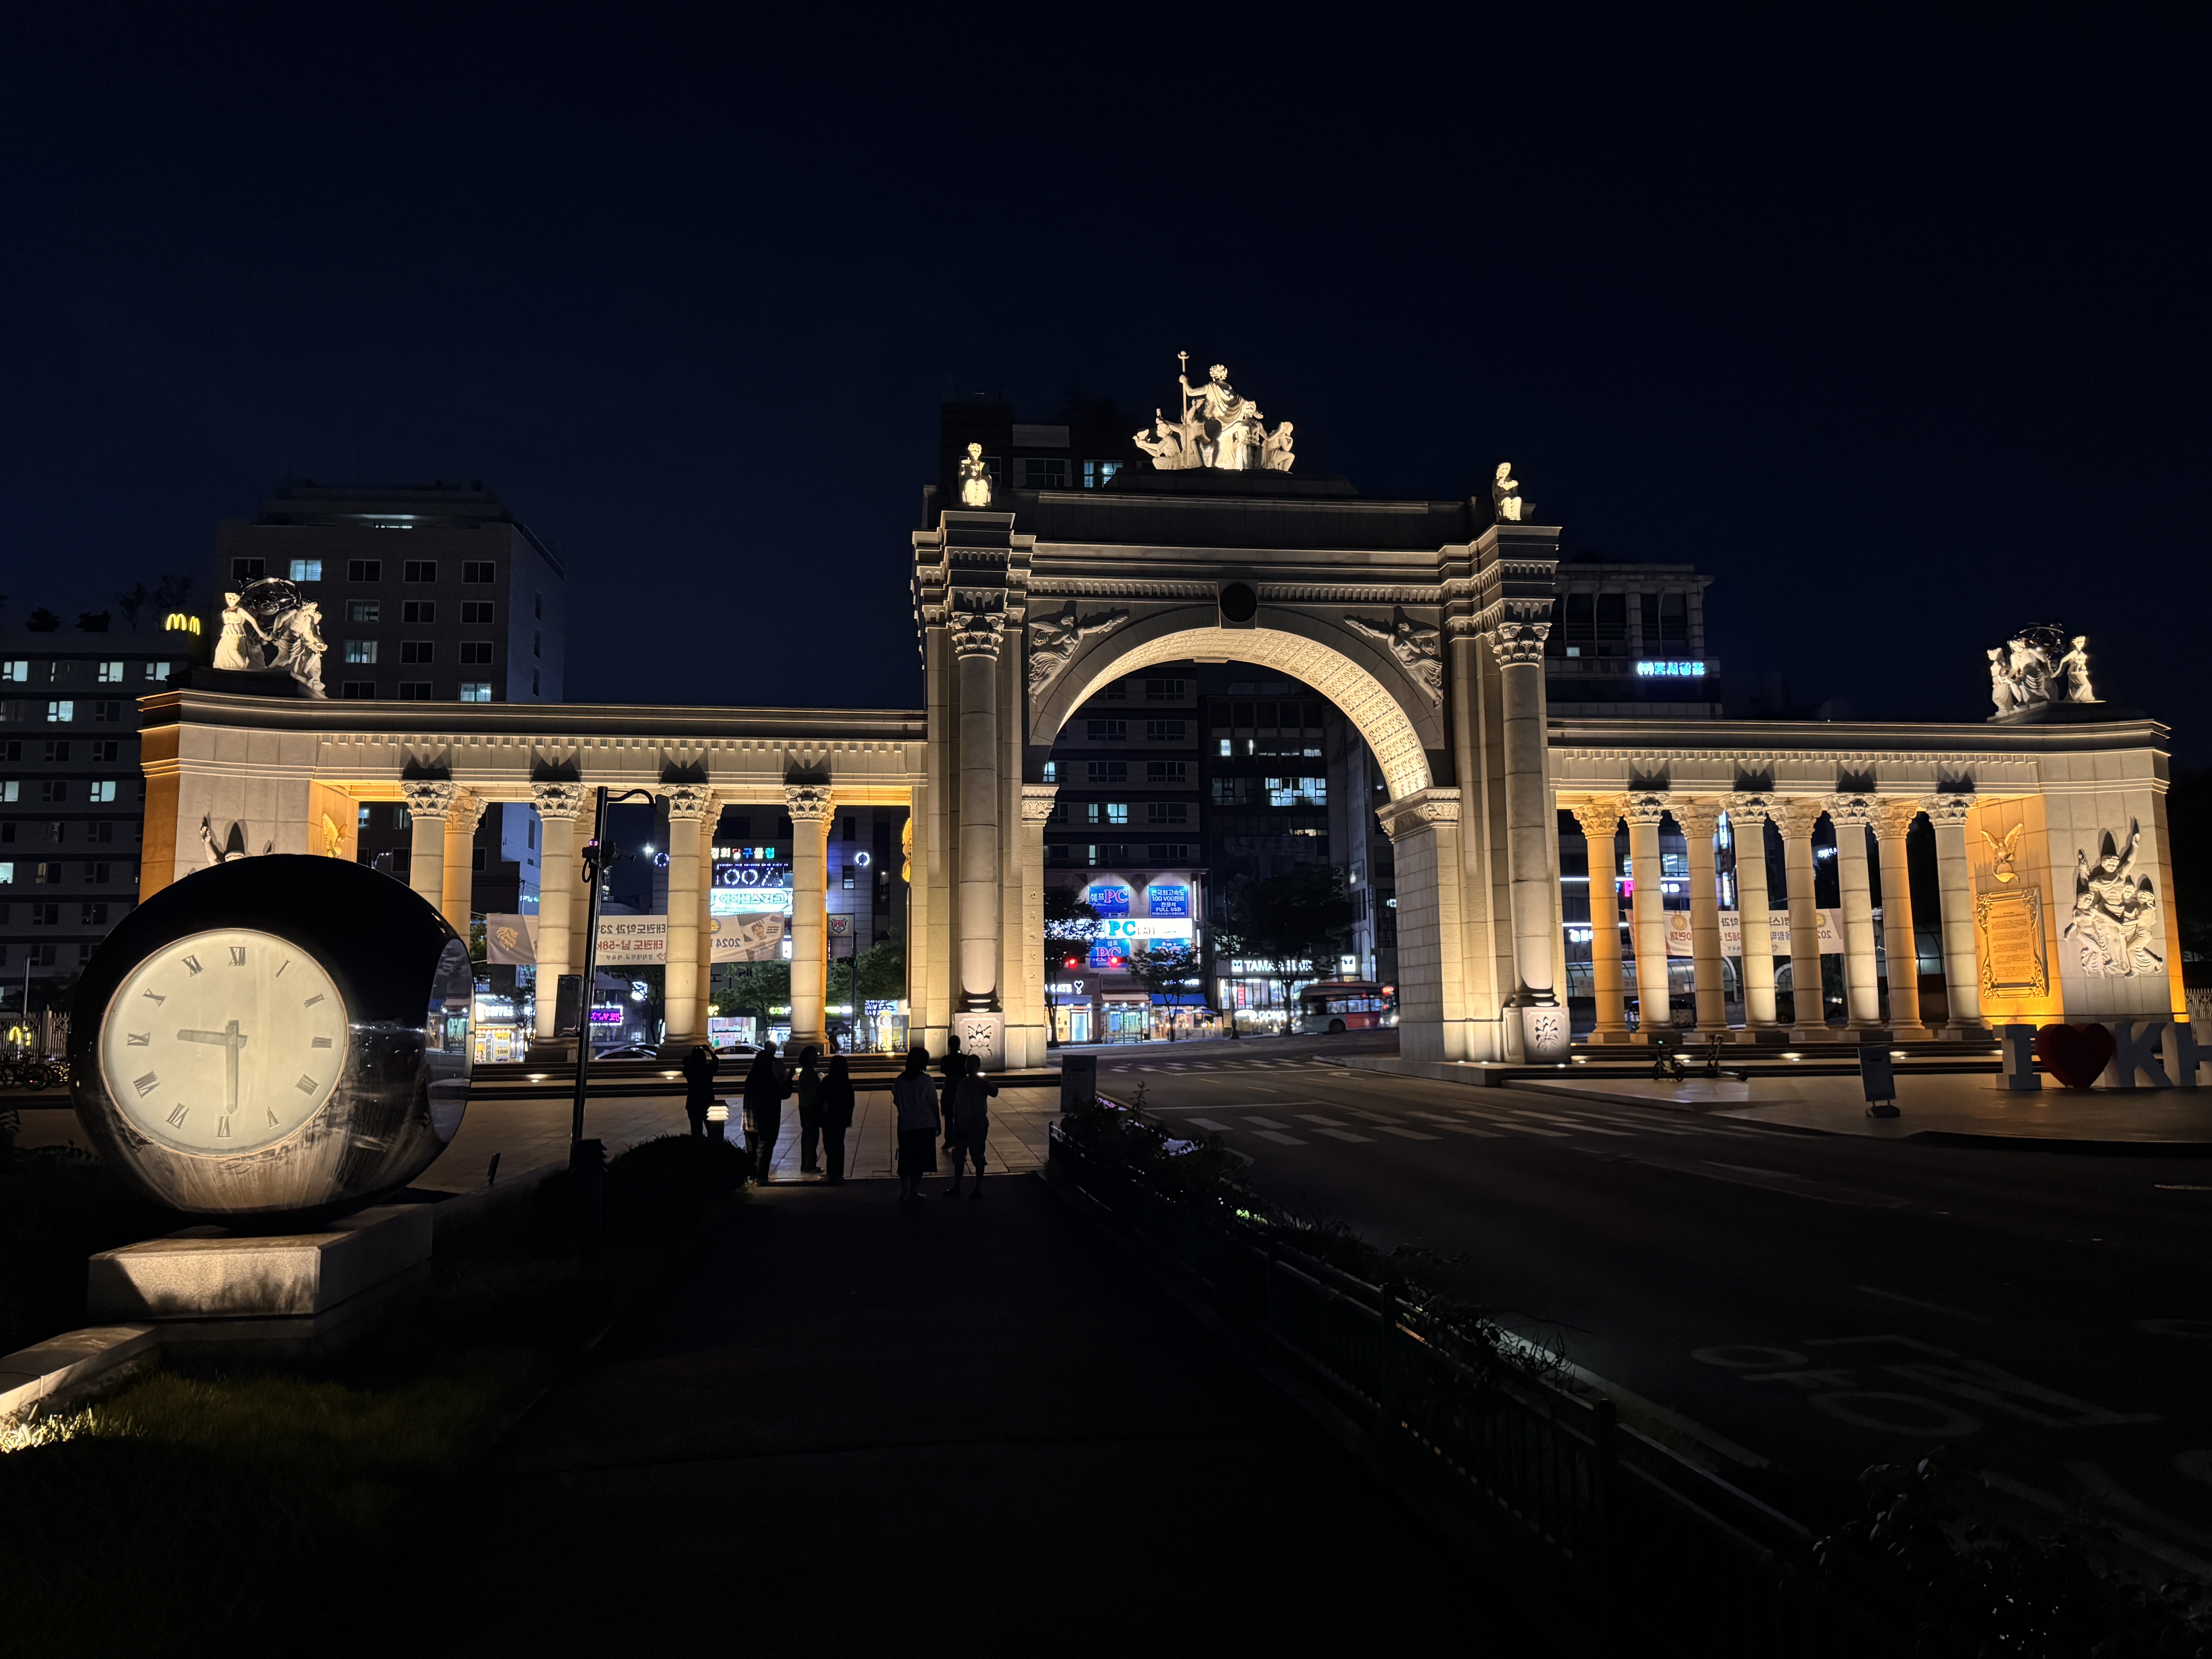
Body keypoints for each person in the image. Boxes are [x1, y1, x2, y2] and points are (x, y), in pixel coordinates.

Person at [944, 1054, 997, 1200]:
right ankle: (957, 1186)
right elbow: (957, 1104)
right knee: (960, 1156)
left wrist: (986, 1081)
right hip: (963, 1125)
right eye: (968, 1064)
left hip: (977, 1124)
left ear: (978, 1066)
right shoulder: (963, 1083)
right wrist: (956, 1124)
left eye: (972, 1064)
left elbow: (994, 1092)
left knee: (978, 1156)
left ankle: (977, 1187)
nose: (970, 1067)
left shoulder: (981, 1082)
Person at [891, 1046, 940, 1202]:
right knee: (920, 1160)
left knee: (906, 1159)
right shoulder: (926, 1081)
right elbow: (933, 1103)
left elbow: (897, 1102)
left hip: (906, 1125)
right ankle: (914, 1190)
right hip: (925, 1124)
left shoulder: (900, 1081)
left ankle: (904, 1191)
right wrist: (938, 1122)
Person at [741, 1042, 791, 1183]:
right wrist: (789, 1079)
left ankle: (752, 1174)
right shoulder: (770, 1079)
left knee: (752, 1150)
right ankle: (761, 1176)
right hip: (768, 1119)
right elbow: (783, 1094)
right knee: (765, 1148)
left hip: (750, 1120)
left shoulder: (751, 1079)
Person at [819, 1055, 855, 1184]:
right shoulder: (846, 1083)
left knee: (830, 1145)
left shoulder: (828, 1081)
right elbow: (851, 1102)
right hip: (841, 1119)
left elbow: (823, 1098)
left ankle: (832, 1172)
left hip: (829, 1118)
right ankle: (837, 1172)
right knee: (839, 1144)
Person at [794, 1045, 824, 1173]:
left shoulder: (808, 1072)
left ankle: (808, 1164)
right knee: (811, 1137)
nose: (817, 1057)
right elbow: (813, 1091)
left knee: (810, 1136)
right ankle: (809, 1165)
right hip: (810, 1107)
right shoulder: (808, 1073)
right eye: (815, 1055)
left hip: (807, 1106)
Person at [680, 1042, 718, 1138]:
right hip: (707, 1101)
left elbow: (685, 1062)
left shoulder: (690, 1071)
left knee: (696, 1131)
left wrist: (694, 1052)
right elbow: (717, 1061)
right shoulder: (708, 1070)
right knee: (712, 1130)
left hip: (693, 1102)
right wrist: (709, 1051)